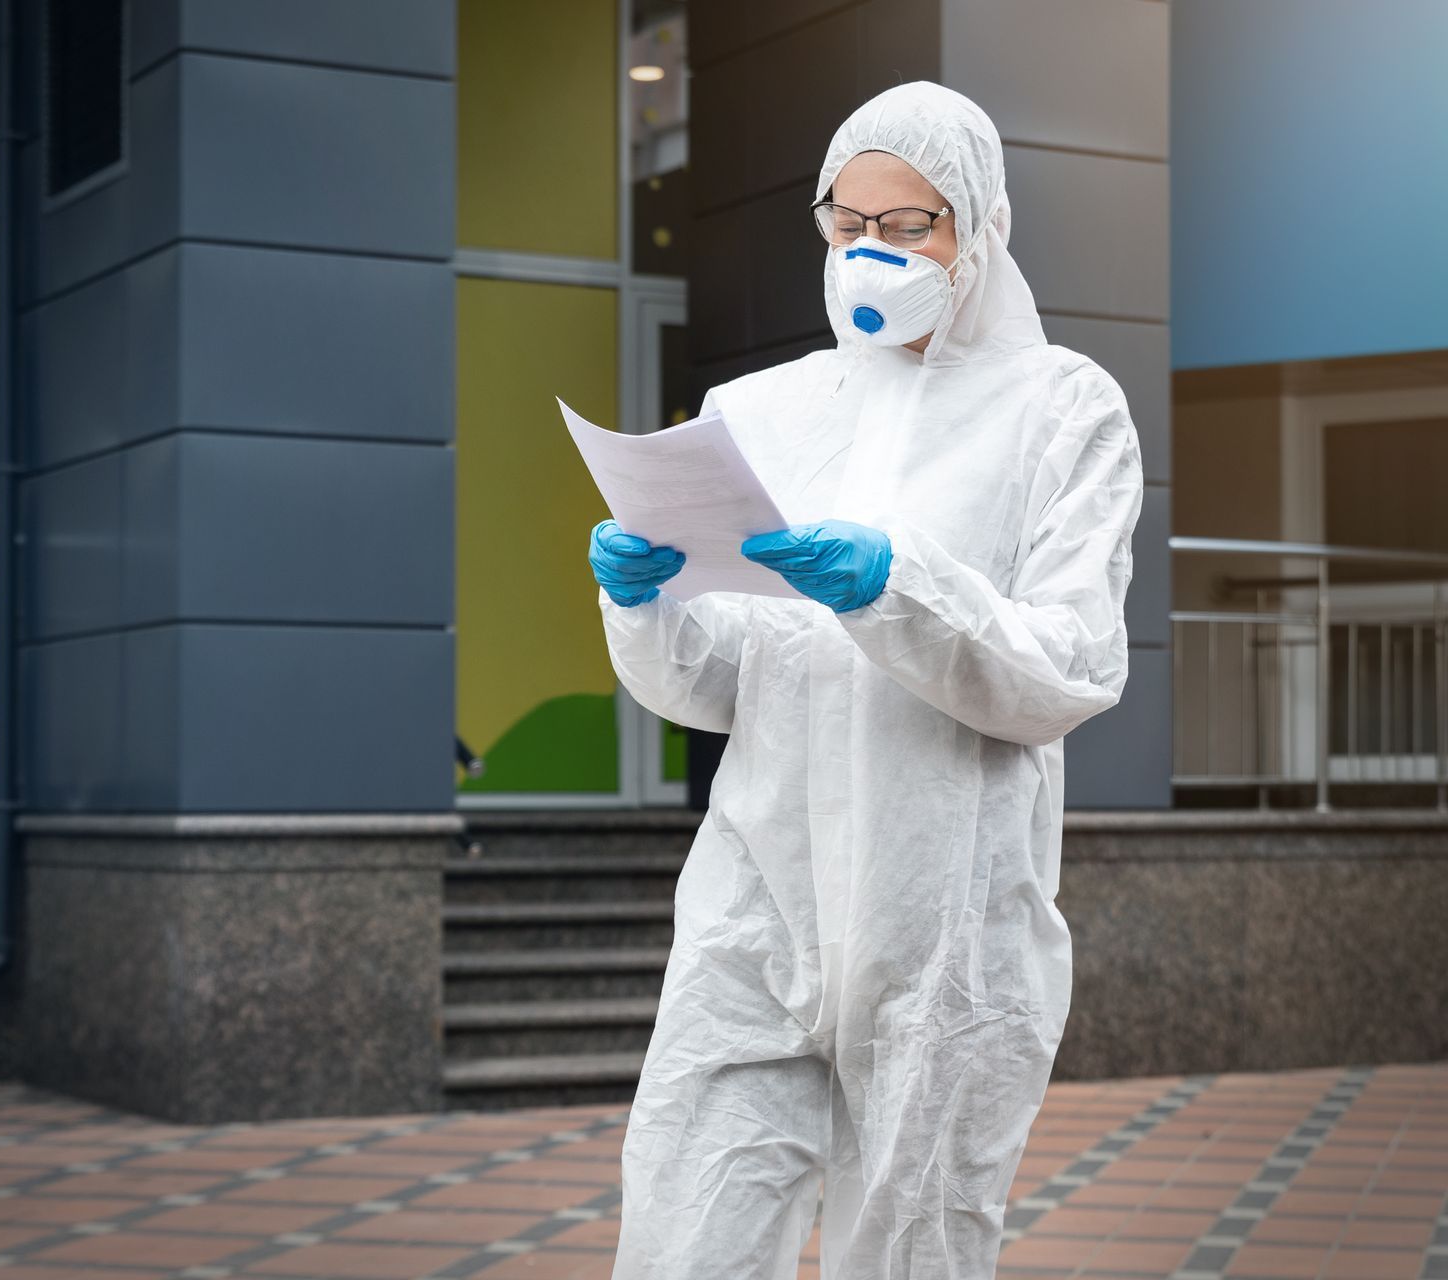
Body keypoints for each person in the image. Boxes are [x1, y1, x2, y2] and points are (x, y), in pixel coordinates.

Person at [589, 82, 1144, 1280]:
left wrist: (896, 584)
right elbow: (720, 680)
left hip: (942, 929)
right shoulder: (767, 411)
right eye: (849, 225)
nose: (873, 253)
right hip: (760, 910)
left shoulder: (1063, 410)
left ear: (980, 229)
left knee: (913, 1250)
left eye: (911, 225)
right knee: (685, 1230)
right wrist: (644, 603)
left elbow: (1073, 662)